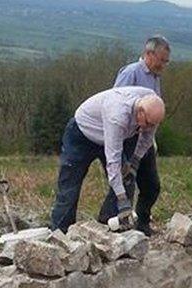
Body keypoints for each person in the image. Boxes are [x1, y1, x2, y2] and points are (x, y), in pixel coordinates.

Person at [48, 87, 164, 232]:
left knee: (126, 179)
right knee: (70, 187)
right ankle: (60, 232)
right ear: (140, 112)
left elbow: (146, 140)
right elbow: (113, 162)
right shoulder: (117, 116)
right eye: (147, 123)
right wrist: (123, 201)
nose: (148, 128)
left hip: (115, 134)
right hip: (83, 134)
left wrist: (134, 163)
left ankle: (108, 227)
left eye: (153, 125)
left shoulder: (152, 108)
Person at [98, 36, 170, 236]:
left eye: (166, 61)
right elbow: (114, 103)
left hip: (145, 140)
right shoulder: (131, 73)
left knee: (152, 185)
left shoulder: (155, 78)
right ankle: (108, 223)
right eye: (161, 60)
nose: (164, 65)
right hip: (128, 138)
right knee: (125, 182)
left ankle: (142, 223)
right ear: (149, 54)